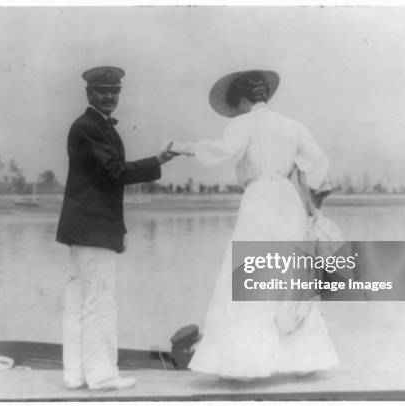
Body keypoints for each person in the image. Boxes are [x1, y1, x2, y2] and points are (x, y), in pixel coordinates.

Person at [169, 70, 339, 380]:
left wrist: (186, 147)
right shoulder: (292, 125)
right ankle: (302, 358)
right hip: (288, 200)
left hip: (260, 197)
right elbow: (319, 162)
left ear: (242, 99)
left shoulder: (242, 124)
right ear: (265, 95)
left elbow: (224, 153)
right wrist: (307, 188)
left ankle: (245, 363)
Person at [56, 66, 176, 390]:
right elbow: (114, 172)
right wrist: (158, 161)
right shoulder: (89, 127)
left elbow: (105, 179)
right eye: (102, 91)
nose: (109, 96)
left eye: (115, 91)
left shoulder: (93, 126)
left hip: (85, 228)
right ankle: (101, 375)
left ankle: (76, 373)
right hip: (93, 229)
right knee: (99, 301)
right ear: (89, 93)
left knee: (81, 299)